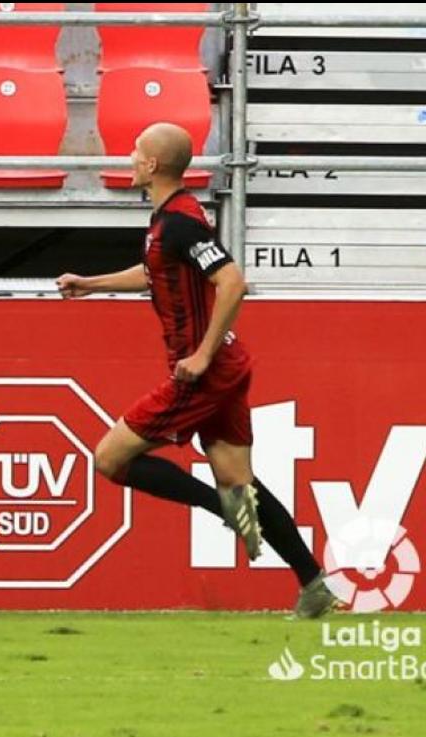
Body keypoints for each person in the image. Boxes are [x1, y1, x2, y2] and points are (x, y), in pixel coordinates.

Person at [56, 122, 338, 619]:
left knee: (110, 460)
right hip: (225, 364)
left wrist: (202, 355)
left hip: (204, 370)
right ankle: (313, 584)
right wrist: (92, 284)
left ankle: (219, 510)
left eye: (135, 150)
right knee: (237, 479)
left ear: (151, 165)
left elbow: (232, 283)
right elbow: (153, 272)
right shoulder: (171, 221)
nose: (129, 155)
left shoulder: (182, 223)